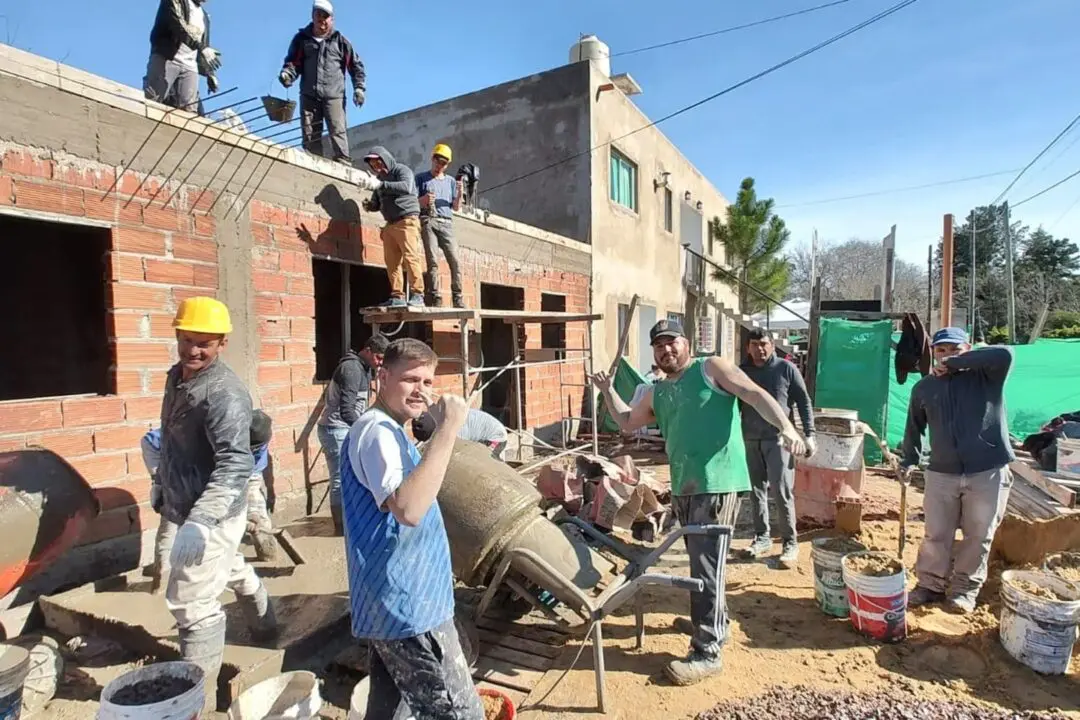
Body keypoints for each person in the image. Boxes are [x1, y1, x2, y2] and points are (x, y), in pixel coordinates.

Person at [592, 319, 805, 686]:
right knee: (701, 565)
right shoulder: (657, 391)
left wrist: (786, 426)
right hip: (685, 487)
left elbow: (753, 394)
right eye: (658, 345)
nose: (665, 350)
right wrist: (608, 391)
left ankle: (707, 651)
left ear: (686, 343)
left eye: (671, 342)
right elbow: (627, 421)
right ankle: (714, 623)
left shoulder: (710, 368)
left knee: (706, 569)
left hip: (716, 484)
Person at [342, 338, 483, 719]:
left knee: (391, 709)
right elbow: (408, 508)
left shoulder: (392, 430)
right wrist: (449, 429)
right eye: (410, 379)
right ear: (383, 377)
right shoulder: (377, 433)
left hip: (400, 601)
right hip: (410, 606)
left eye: (428, 381)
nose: (421, 390)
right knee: (457, 712)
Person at [157, 296, 277, 714]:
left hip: (214, 510)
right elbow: (173, 443)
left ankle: (196, 700)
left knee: (190, 600)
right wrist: (163, 489)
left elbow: (235, 462)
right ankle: (266, 619)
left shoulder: (223, 394)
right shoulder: (178, 377)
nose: (194, 350)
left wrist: (202, 520)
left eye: (205, 343)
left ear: (222, 342)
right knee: (226, 567)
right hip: (189, 502)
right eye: (187, 339)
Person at [900, 327, 1015, 614]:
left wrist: (955, 363)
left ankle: (964, 590)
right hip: (941, 472)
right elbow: (914, 427)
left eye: (955, 349)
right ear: (933, 353)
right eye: (941, 350)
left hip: (986, 470)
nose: (947, 355)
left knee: (978, 535)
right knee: (936, 533)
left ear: (969, 349)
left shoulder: (986, 377)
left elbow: (1004, 353)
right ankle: (930, 584)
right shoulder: (925, 387)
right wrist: (908, 460)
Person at [142, 410, 276, 591]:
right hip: (182, 470)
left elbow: (251, 477)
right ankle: (162, 582)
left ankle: (267, 555)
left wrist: (250, 511)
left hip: (238, 474)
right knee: (172, 524)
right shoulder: (195, 433)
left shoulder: (258, 442)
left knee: (257, 515)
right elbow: (149, 441)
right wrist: (160, 480)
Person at [739, 329, 816, 569]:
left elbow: (803, 401)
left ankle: (789, 542)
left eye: (764, 344)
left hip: (779, 441)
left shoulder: (785, 369)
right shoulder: (742, 373)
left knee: (782, 493)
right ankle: (761, 538)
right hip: (750, 439)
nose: (759, 349)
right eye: (754, 344)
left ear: (772, 345)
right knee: (756, 492)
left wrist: (809, 435)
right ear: (748, 347)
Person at [318, 333, 389, 535]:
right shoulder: (351, 369)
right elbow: (346, 410)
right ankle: (340, 529)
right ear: (367, 351)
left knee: (352, 477)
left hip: (344, 428)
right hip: (336, 429)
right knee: (340, 479)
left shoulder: (364, 368)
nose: (380, 363)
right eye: (378, 358)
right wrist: (366, 428)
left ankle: (348, 522)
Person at [278, 0, 366, 164]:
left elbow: (356, 66)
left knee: (337, 131)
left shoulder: (340, 41)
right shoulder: (302, 39)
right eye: (318, 15)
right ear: (313, 16)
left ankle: (343, 163)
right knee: (310, 135)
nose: (322, 20)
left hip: (334, 96)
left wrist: (359, 88)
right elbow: (293, 62)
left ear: (332, 19)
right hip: (309, 95)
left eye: (325, 16)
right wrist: (287, 74)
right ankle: (313, 164)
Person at [361, 147, 425, 308]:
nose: (376, 166)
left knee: (411, 258)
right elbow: (377, 203)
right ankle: (397, 296)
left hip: (406, 221)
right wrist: (370, 205)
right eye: (373, 164)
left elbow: (406, 187)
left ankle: (418, 294)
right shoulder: (379, 180)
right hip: (390, 224)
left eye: (378, 161)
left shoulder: (401, 170)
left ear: (385, 158)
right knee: (392, 262)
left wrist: (380, 184)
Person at [145, 0, 221, 113]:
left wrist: (209, 73)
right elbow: (178, 26)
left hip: (190, 66)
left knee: (190, 110)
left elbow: (204, 45)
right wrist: (201, 47)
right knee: (154, 100)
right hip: (167, 58)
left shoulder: (204, 16)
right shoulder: (175, 1)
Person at [415, 144, 465, 308]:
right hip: (429, 220)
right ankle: (435, 295)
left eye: (443, 163)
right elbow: (411, 203)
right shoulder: (421, 178)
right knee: (433, 261)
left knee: (455, 260)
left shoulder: (450, 181)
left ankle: (457, 296)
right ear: (432, 159)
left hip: (446, 222)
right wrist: (422, 201)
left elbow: (456, 207)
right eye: (437, 161)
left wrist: (459, 192)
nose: (439, 165)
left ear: (447, 165)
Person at [412, 407, 508, 460]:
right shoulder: (443, 417)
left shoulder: (454, 428)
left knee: (485, 464)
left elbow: (457, 453)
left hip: (495, 437)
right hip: (484, 434)